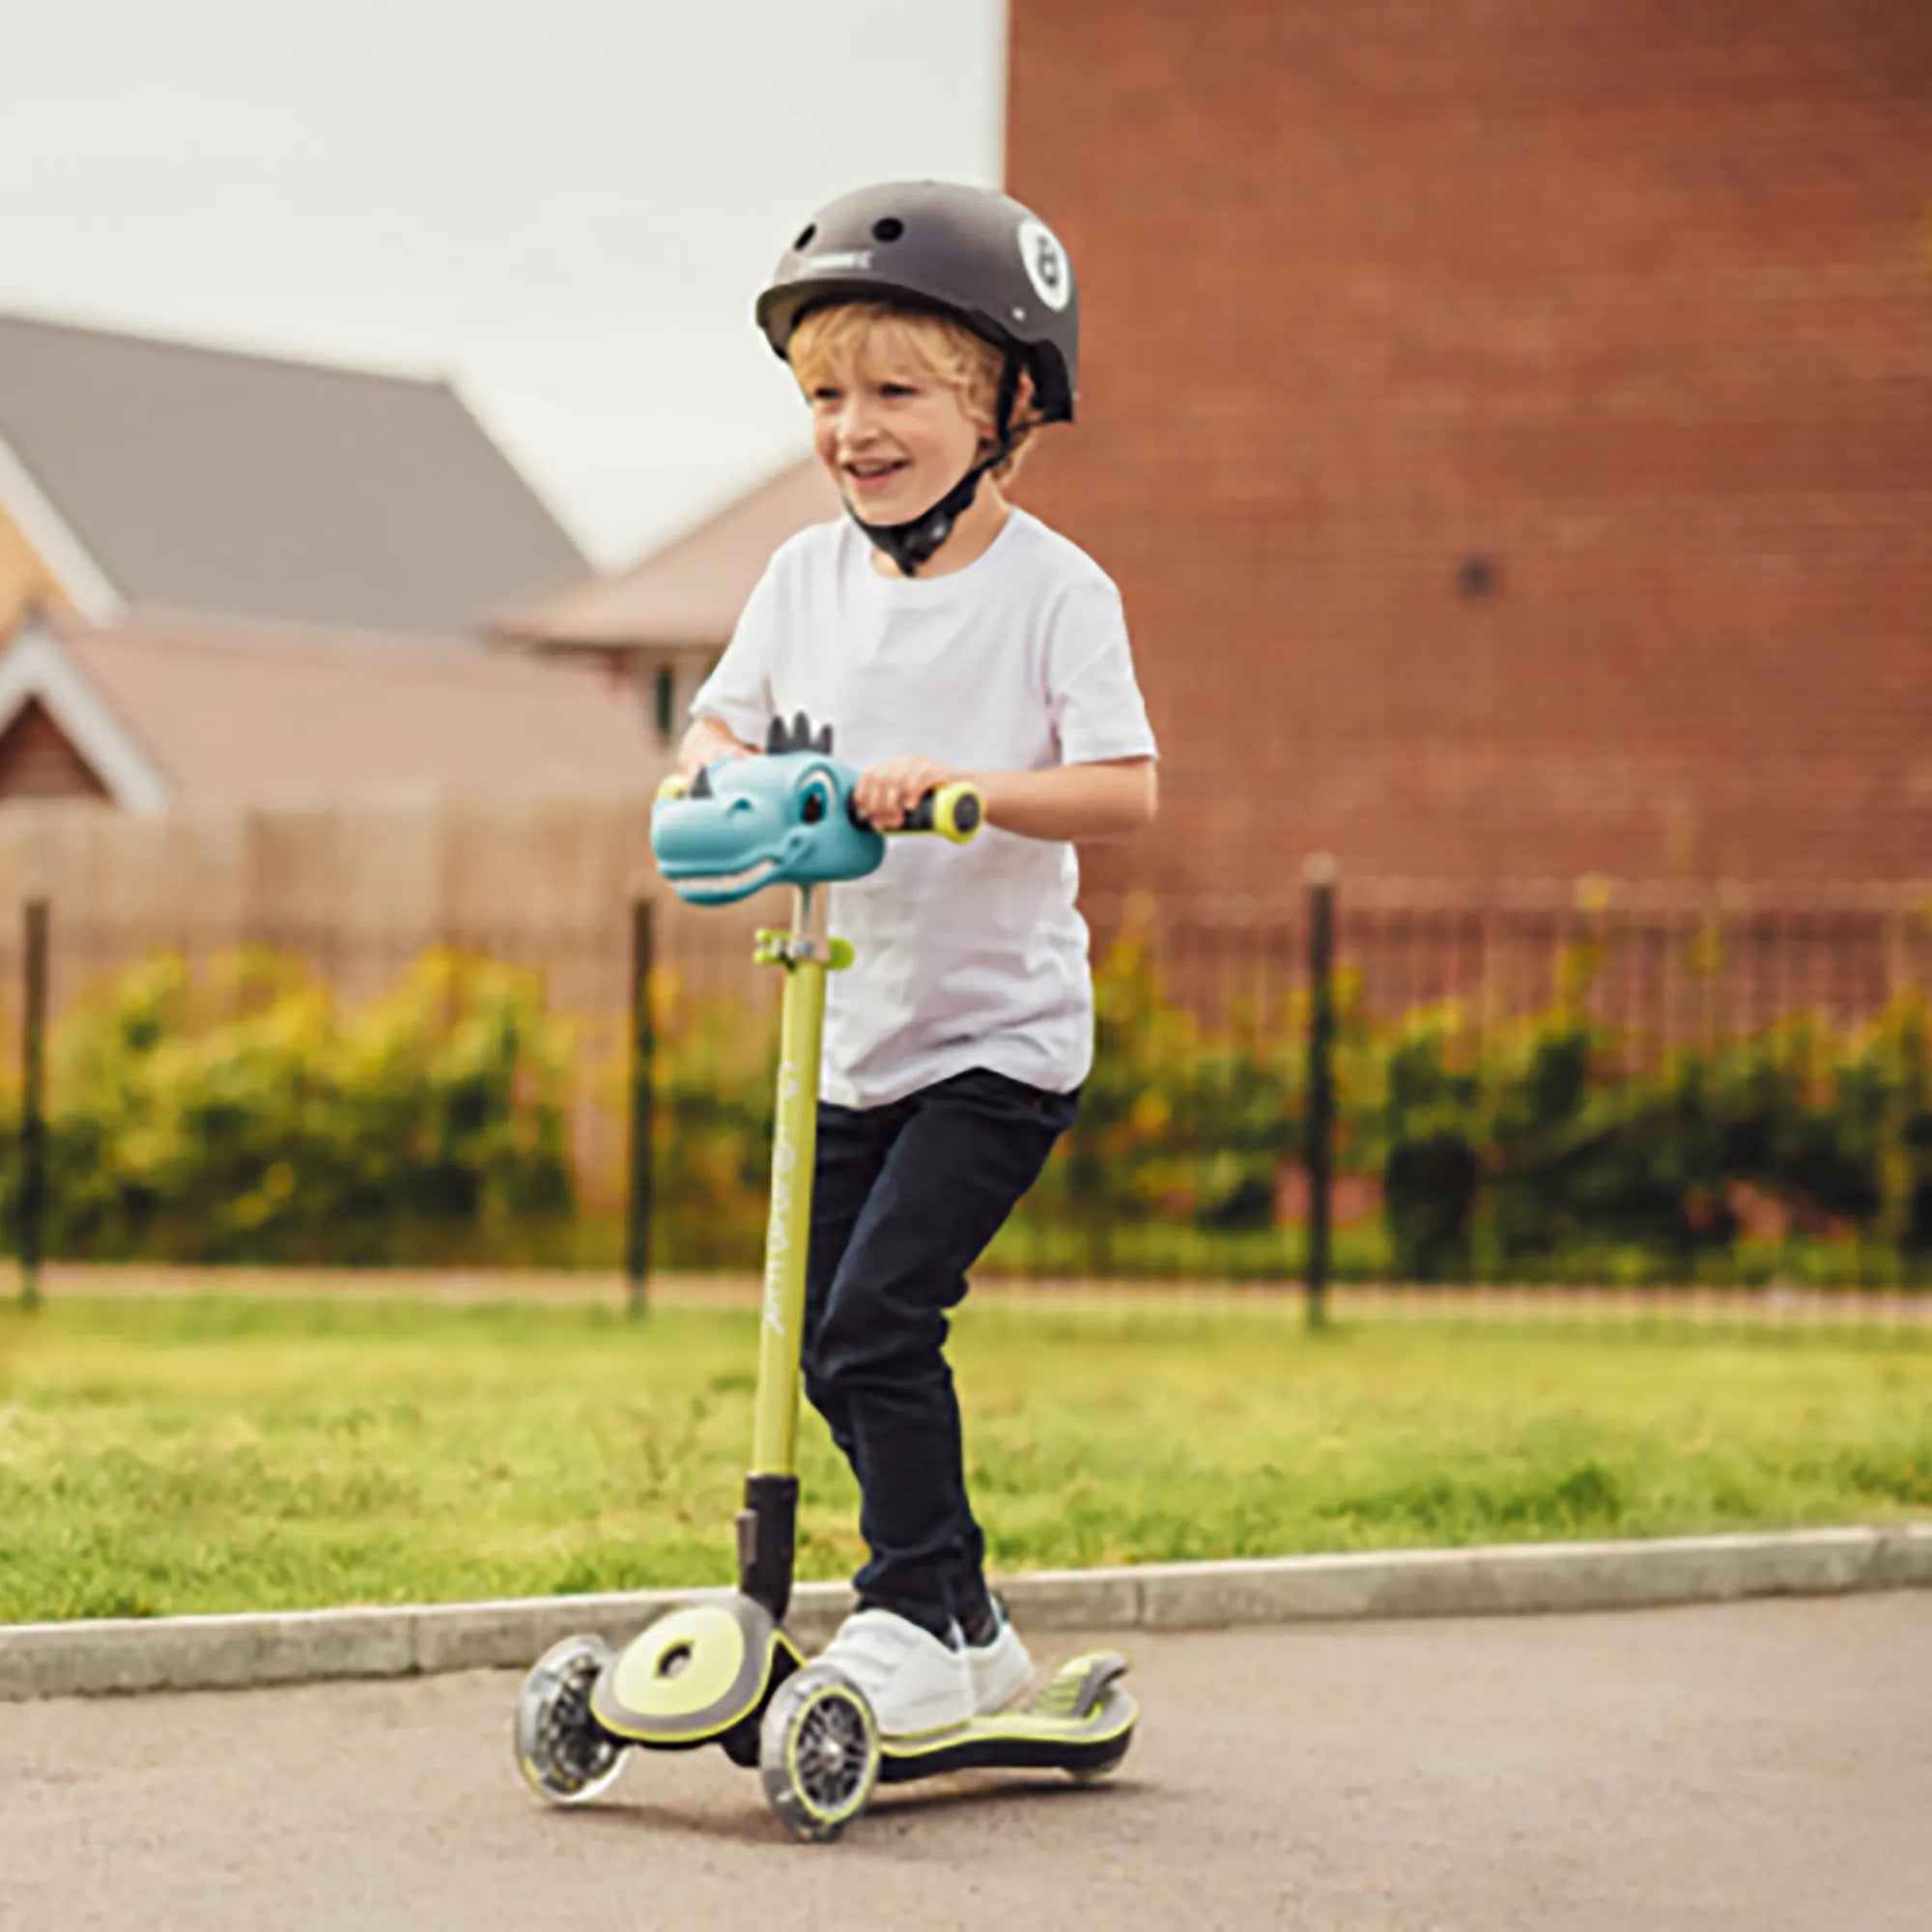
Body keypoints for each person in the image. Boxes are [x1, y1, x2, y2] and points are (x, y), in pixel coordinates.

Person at [678, 181, 1158, 1736]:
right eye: (827, 394)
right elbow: (720, 724)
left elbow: (1125, 787)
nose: (855, 427)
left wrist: (955, 795)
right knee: (823, 1342)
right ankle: (969, 1627)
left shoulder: (1054, 593)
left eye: (898, 391)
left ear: (1008, 403)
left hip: (994, 1047)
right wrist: (704, 789)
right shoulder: (800, 581)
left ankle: (902, 1606)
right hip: (850, 1029)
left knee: (881, 1319)